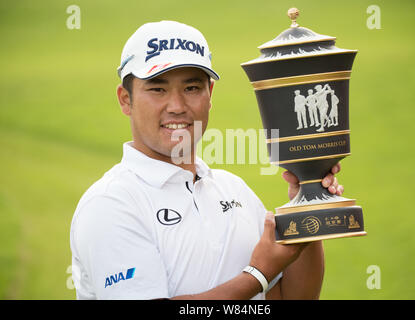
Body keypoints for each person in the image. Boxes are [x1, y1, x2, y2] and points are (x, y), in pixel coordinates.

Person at [70, 20, 344, 300]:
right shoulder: (110, 203)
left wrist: (305, 214)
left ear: (209, 95)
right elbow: (260, 277)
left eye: (191, 88)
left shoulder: (234, 190)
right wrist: (258, 274)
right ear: (125, 99)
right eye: (157, 89)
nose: (177, 107)